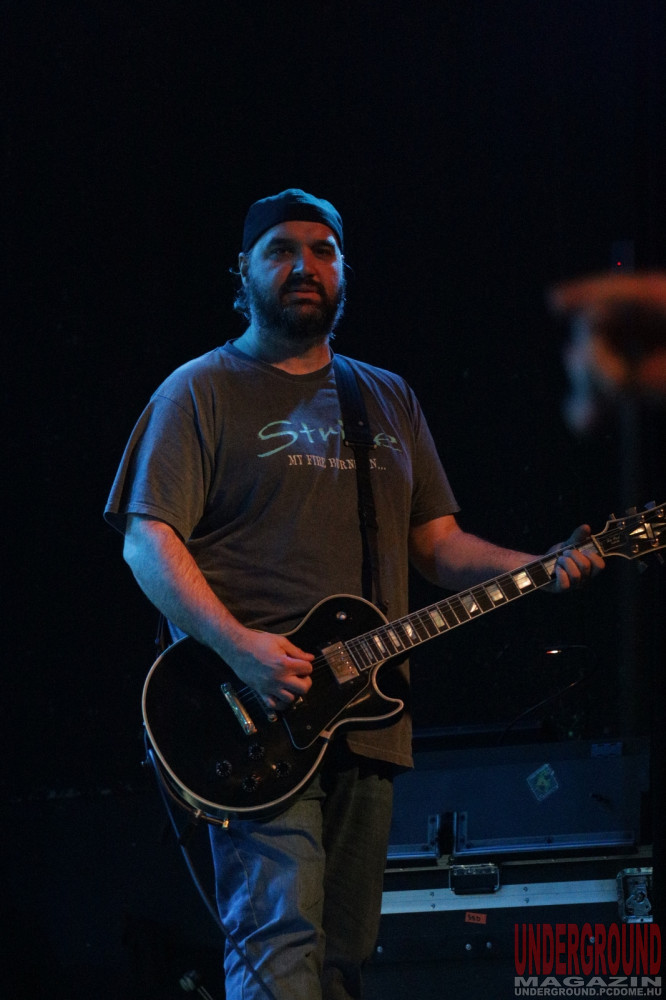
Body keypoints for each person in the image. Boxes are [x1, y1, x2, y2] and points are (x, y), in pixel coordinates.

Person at [105, 188, 604, 1000]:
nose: (304, 265)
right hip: (252, 715)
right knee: (280, 943)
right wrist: (242, 648)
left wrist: (540, 565)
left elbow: (436, 545)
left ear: (345, 270)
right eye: (281, 249)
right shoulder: (199, 391)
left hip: (368, 720)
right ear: (243, 271)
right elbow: (145, 541)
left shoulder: (386, 397)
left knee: (344, 959)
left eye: (323, 249)